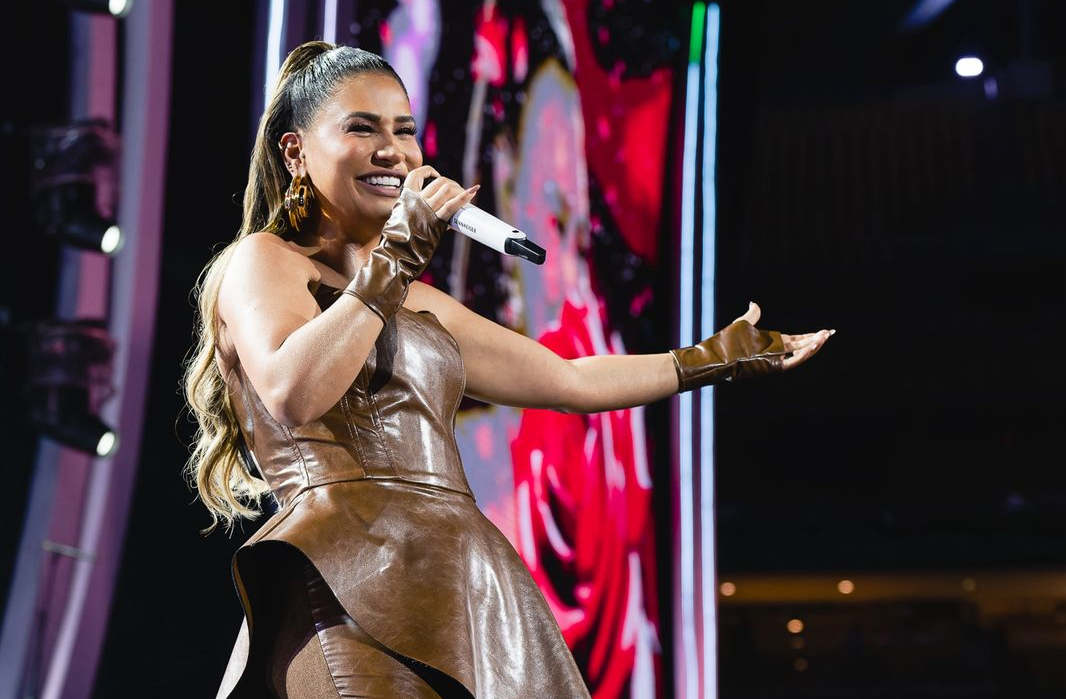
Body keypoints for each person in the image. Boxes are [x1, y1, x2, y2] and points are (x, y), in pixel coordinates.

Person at [183, 41, 833, 699]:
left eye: (404, 131)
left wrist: (715, 357)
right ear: (295, 152)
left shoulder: (418, 300)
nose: (393, 151)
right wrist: (396, 260)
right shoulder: (265, 261)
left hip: (455, 577)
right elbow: (294, 391)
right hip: (345, 575)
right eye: (362, 128)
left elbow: (569, 381)